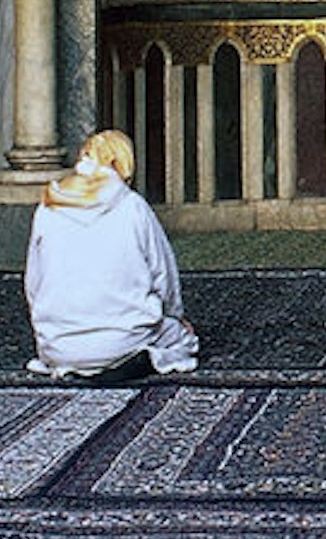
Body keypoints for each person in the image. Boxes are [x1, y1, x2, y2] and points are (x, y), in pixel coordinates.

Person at [20, 127, 199, 379]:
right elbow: (163, 275)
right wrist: (176, 316)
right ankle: (129, 360)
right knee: (184, 339)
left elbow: (34, 282)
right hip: (126, 338)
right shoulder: (132, 206)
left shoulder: (48, 207)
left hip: (59, 346)